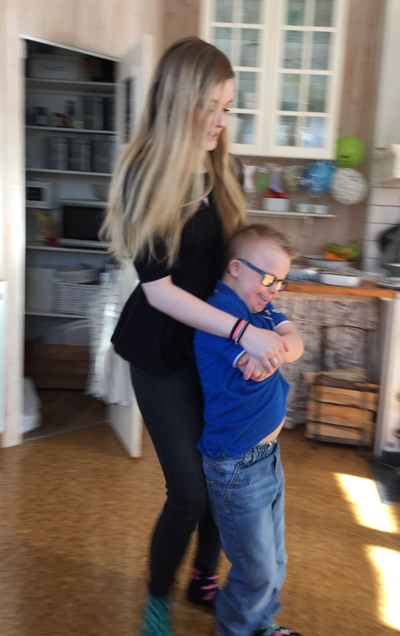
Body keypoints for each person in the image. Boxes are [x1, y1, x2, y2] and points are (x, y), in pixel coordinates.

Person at [101, 37, 289, 636]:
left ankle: (204, 578)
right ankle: (157, 600)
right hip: (161, 353)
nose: (220, 120)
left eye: (227, 107)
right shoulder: (144, 175)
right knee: (188, 492)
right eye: (210, 106)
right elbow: (159, 291)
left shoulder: (226, 169)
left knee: (221, 472)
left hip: (213, 349)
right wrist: (242, 331)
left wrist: (265, 307)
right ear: (178, 100)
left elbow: (233, 266)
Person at [194, 224, 304, 636]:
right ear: (236, 267)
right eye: (268, 277)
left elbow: (294, 344)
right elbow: (257, 364)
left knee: (274, 561)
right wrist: (274, 349)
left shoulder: (262, 312)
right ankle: (237, 629)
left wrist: (275, 350)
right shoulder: (221, 315)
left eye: (281, 281)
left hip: (266, 459)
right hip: (236, 467)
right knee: (256, 569)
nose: (275, 289)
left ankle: (259, 624)